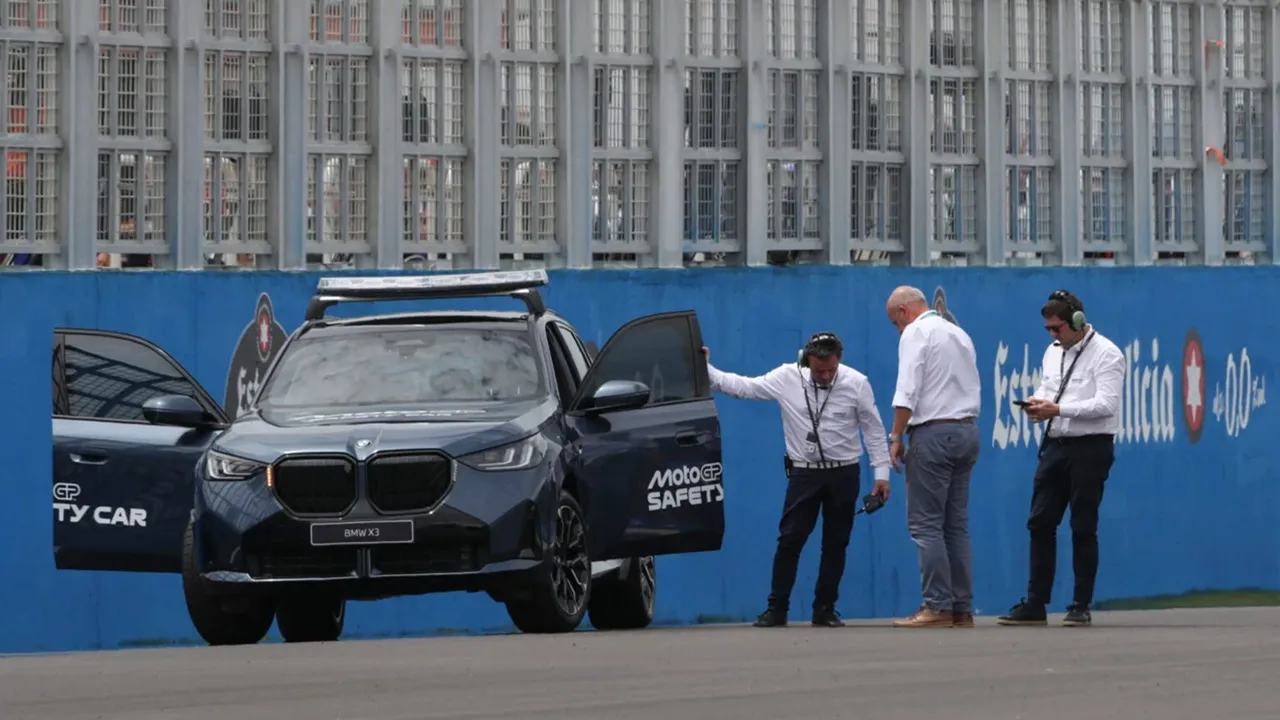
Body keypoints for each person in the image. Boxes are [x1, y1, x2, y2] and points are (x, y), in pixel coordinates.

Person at [702, 332, 892, 628]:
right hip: (805, 473)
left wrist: (882, 475)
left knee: (836, 542)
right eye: (819, 371)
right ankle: (777, 608)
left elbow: (874, 430)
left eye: (831, 370)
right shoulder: (786, 377)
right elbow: (743, 387)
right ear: (806, 361)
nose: (826, 376)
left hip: (844, 472)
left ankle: (825, 609)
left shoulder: (856, 383)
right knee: (790, 539)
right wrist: (706, 368)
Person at [997, 290, 1125, 628]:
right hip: (1055, 444)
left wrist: (1060, 409)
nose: (1053, 336)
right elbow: (1049, 388)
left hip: (1091, 446)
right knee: (1039, 522)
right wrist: (1038, 403)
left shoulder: (1107, 354)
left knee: (1083, 526)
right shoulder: (1053, 353)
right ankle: (1036, 602)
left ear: (1078, 322)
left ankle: (1080, 604)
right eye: (1048, 330)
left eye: (1057, 329)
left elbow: (1106, 405)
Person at [883, 286, 982, 629]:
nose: (898, 330)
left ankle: (936, 605)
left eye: (896, 323)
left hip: (933, 433)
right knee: (956, 526)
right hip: (967, 430)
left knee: (926, 524)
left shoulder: (916, 332)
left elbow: (907, 390)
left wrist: (896, 435)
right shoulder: (958, 332)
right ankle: (961, 608)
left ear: (904, 313)